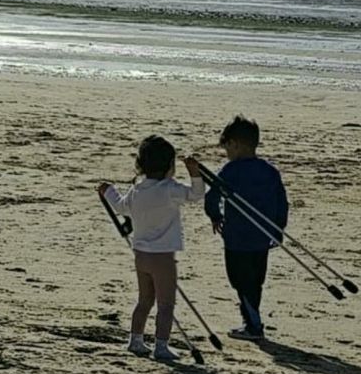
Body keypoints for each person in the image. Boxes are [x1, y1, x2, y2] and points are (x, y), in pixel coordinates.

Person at [98, 136, 204, 361]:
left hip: (141, 256)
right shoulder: (169, 189)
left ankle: (135, 340)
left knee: (144, 300)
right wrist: (195, 173)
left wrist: (108, 191)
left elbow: (120, 207)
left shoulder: (137, 190)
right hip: (163, 257)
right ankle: (161, 346)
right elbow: (196, 195)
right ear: (169, 167)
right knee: (166, 304)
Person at [204, 116, 288, 341]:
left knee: (240, 280)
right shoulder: (270, 171)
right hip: (262, 236)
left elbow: (212, 196)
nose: (227, 152)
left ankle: (254, 324)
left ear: (236, 144)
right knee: (255, 280)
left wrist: (214, 215)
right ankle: (252, 320)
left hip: (237, 238)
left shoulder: (231, 171)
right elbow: (282, 202)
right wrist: (278, 228)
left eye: (227, 147)